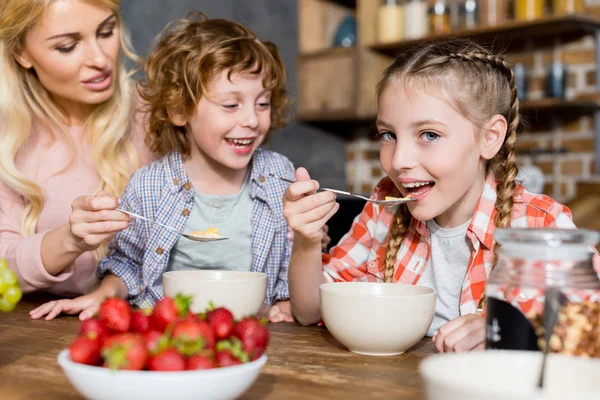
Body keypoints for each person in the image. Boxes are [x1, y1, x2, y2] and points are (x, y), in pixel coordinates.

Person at [282, 38, 598, 352]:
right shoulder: (384, 209)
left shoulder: (539, 224)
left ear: (490, 138)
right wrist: (306, 241)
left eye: (429, 135)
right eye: (388, 135)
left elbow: (588, 325)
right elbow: (309, 311)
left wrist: (505, 331)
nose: (398, 160)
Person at [31, 12, 301, 323]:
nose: (252, 120)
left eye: (263, 103)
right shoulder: (149, 185)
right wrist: (101, 296)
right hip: (167, 331)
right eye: (230, 104)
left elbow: (291, 261)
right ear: (179, 109)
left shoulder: (279, 177)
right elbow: (127, 266)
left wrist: (286, 300)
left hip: (250, 333)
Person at [0, 0, 155, 298]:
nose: (100, 59)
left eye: (106, 31)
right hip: (43, 335)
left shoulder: (160, 115)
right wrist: (71, 239)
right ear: (21, 53)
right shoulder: (8, 141)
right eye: (68, 47)